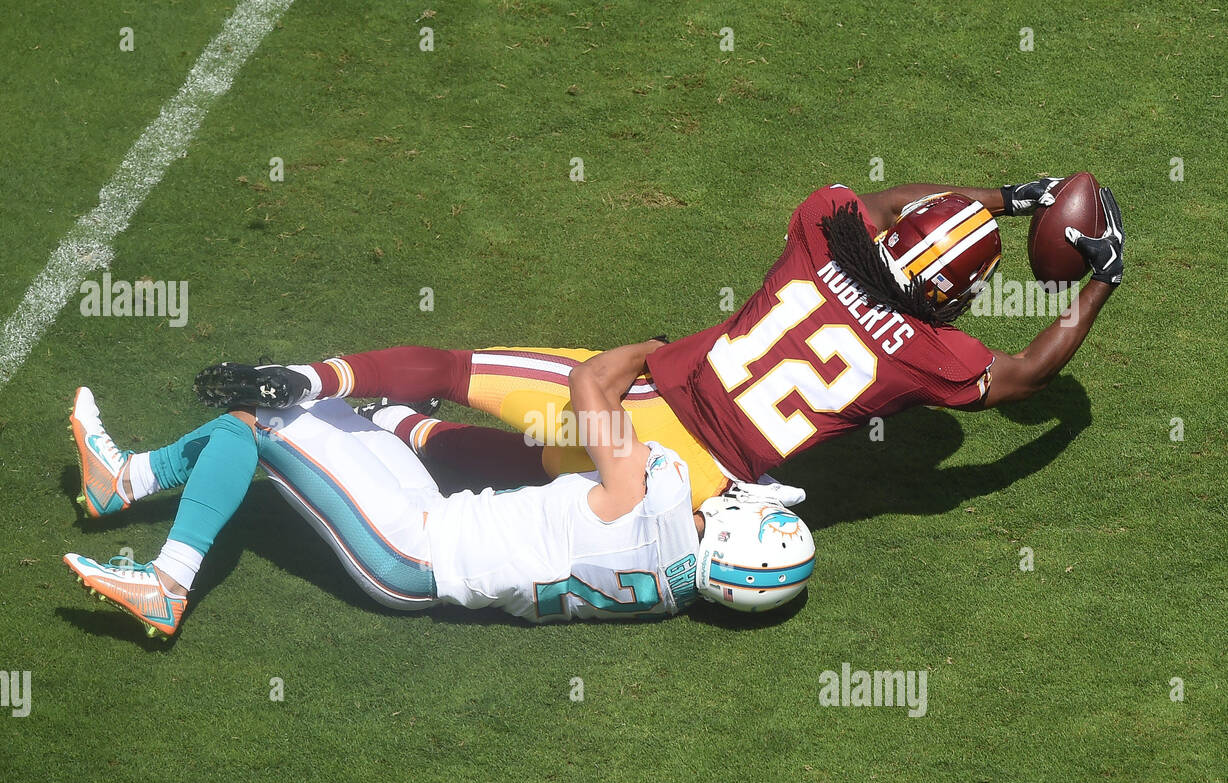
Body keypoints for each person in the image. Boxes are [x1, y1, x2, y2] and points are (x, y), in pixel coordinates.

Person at [193, 177, 1125, 509]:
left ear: (897, 235)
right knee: (530, 472)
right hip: (703, 487)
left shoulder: (821, 231)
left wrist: (1007, 195)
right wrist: (1099, 278)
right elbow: (1026, 375)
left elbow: (875, 202)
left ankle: (313, 379)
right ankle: (404, 438)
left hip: (650, 394)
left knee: (457, 368)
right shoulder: (927, 356)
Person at [64, 342, 815, 638]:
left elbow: (591, 383)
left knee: (259, 413)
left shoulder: (654, 495)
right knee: (321, 410)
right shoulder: (677, 589)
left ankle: (168, 581)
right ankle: (119, 481)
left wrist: (665, 351)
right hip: (437, 530)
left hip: (410, 547)